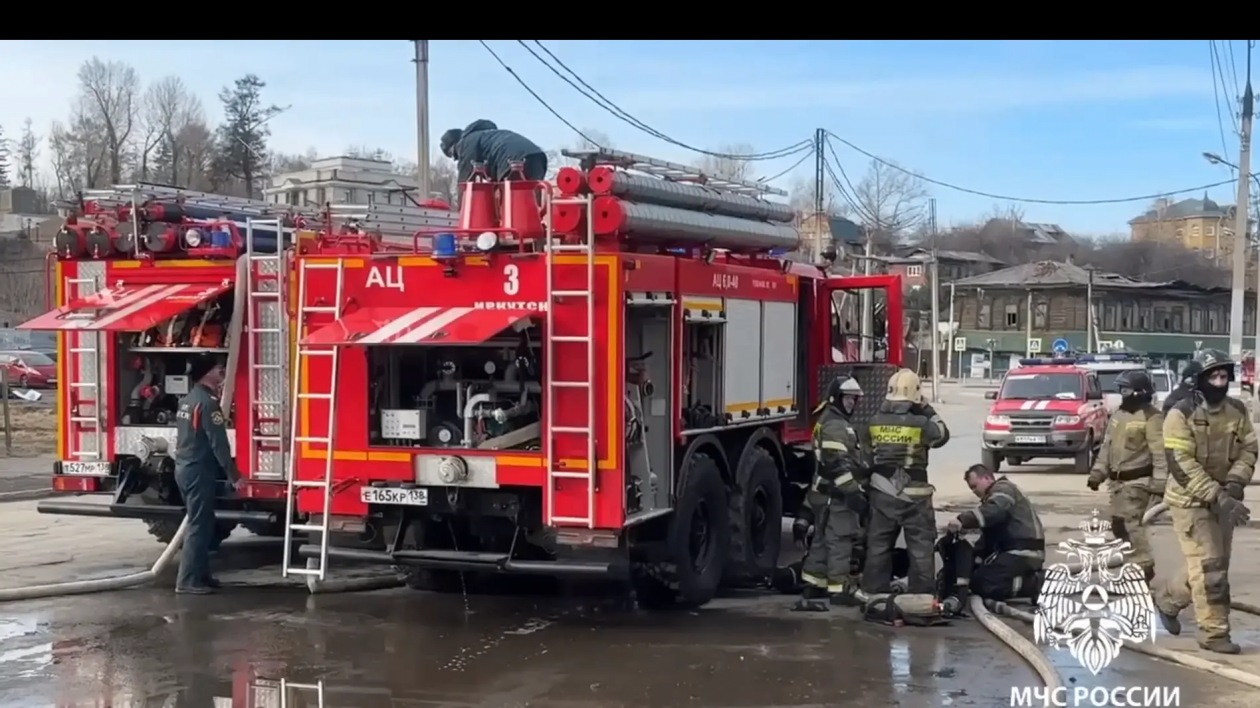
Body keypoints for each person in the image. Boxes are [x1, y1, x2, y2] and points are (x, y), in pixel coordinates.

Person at [1153, 349, 1256, 654]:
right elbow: (1181, 464)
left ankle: (1168, 600)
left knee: (1213, 563)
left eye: (1224, 375)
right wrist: (1217, 495)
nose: (1220, 381)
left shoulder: (1237, 411)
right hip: (1189, 502)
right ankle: (1213, 633)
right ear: (1200, 380)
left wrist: (1236, 482)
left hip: (1224, 499)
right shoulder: (1180, 415)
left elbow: (1249, 449)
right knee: (1210, 566)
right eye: (1213, 376)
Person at [862, 369, 950, 599]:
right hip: (915, 497)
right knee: (920, 548)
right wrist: (926, 408)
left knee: (878, 546)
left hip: (881, 492)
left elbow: (866, 457)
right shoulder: (921, 423)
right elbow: (942, 434)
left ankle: (874, 594)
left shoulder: (873, 422)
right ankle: (920, 597)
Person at [792, 375, 868, 611]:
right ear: (836, 398)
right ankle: (839, 589)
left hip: (825, 495)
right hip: (838, 496)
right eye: (849, 399)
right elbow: (836, 464)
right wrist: (854, 494)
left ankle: (814, 583)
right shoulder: (835, 425)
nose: (852, 404)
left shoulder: (829, 420)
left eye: (855, 399)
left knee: (823, 541)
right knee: (841, 541)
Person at [173, 354, 243, 595]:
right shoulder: (208, 403)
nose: (222, 370)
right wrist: (234, 475)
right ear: (207, 373)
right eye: (218, 368)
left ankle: (201, 575)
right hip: (198, 470)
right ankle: (188, 581)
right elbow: (219, 444)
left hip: (185, 468)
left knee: (203, 522)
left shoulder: (188, 399)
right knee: (199, 525)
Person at [1086, 369, 1165, 582]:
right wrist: (1097, 473)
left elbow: (1160, 454)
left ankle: (1144, 565)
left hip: (1138, 482)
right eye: (1121, 389)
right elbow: (1106, 448)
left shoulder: (1152, 417)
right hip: (1117, 483)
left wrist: (1159, 486)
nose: (1122, 393)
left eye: (1126, 389)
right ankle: (1135, 562)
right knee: (1118, 525)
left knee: (1131, 522)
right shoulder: (1118, 416)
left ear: (1140, 391)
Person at [937, 464, 1046, 615]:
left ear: (987, 478)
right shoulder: (994, 497)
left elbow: (995, 511)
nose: (974, 492)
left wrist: (963, 520)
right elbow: (988, 540)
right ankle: (1026, 581)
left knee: (985, 584)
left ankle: (1035, 584)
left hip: (1023, 552)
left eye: (975, 486)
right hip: (1015, 552)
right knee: (978, 578)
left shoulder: (1003, 489)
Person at [440, 120, 548, 184]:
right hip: (537, 157)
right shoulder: (486, 136)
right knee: (530, 200)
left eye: (454, 155)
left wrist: (461, 214)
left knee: (510, 204)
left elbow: (465, 181)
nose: (458, 158)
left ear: (455, 144)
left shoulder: (467, 142)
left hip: (512, 161)